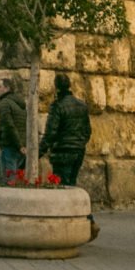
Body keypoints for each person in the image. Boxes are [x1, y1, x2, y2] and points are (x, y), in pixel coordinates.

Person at [42, 72, 99, 240]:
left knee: (64, 189)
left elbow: (50, 133)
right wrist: (80, 144)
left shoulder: (57, 106)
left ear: (56, 87)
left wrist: (40, 151)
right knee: (72, 186)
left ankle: (86, 222)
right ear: (70, 86)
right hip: (78, 151)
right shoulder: (81, 105)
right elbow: (87, 130)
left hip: (62, 152)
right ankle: (86, 223)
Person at [0, 76, 27, 182]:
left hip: (10, 146)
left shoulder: (5, 103)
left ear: (7, 88)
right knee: (15, 179)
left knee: (8, 181)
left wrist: (19, 145)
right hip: (19, 145)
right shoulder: (19, 104)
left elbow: (9, 125)